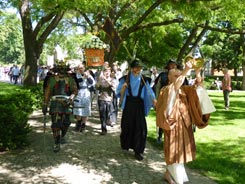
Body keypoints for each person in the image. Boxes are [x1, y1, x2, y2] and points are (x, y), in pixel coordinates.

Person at [156, 61, 215, 184]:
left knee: (181, 152)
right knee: (174, 153)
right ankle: (178, 180)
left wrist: (198, 73)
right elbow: (175, 87)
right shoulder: (166, 89)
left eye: (180, 75)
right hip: (172, 126)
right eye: (176, 76)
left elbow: (198, 89)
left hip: (185, 125)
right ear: (169, 77)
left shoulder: (185, 90)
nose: (179, 77)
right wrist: (186, 71)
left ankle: (168, 173)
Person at [116, 58, 157, 161]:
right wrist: (123, 89)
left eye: (139, 68)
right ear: (131, 68)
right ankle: (126, 144)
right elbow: (118, 93)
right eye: (135, 67)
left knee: (141, 128)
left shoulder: (144, 79)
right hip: (129, 104)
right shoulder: (125, 79)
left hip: (138, 105)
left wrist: (153, 100)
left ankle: (138, 150)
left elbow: (149, 92)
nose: (137, 70)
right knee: (127, 126)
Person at [42, 62, 78, 152]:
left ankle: (62, 136)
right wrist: (45, 104)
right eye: (60, 69)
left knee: (66, 122)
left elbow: (75, 91)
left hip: (67, 103)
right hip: (55, 103)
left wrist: (71, 97)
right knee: (56, 124)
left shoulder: (70, 79)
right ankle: (56, 143)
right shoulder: (52, 79)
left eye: (63, 69)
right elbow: (47, 92)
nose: (62, 72)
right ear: (57, 70)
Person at [153, 60, 188, 144]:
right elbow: (157, 87)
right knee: (164, 117)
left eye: (174, 65)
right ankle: (160, 136)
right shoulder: (163, 75)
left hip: (178, 98)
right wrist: (157, 99)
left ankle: (175, 140)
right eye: (171, 65)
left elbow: (185, 86)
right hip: (165, 97)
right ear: (168, 66)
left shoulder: (181, 76)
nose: (173, 66)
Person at [73, 63, 95, 132]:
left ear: (84, 68)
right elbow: (77, 83)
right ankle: (78, 122)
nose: (80, 69)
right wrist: (83, 78)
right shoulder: (76, 75)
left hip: (86, 93)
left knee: (86, 109)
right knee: (78, 108)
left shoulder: (88, 75)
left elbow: (92, 83)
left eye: (82, 68)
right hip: (79, 92)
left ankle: (83, 124)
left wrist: (88, 77)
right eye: (79, 68)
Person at [96, 67, 117, 135]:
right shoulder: (101, 80)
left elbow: (113, 88)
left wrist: (107, 80)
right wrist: (100, 80)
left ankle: (108, 122)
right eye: (106, 71)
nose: (107, 73)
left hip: (109, 100)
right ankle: (103, 129)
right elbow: (96, 87)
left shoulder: (112, 79)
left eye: (108, 71)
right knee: (102, 115)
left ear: (110, 72)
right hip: (101, 99)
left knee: (107, 114)